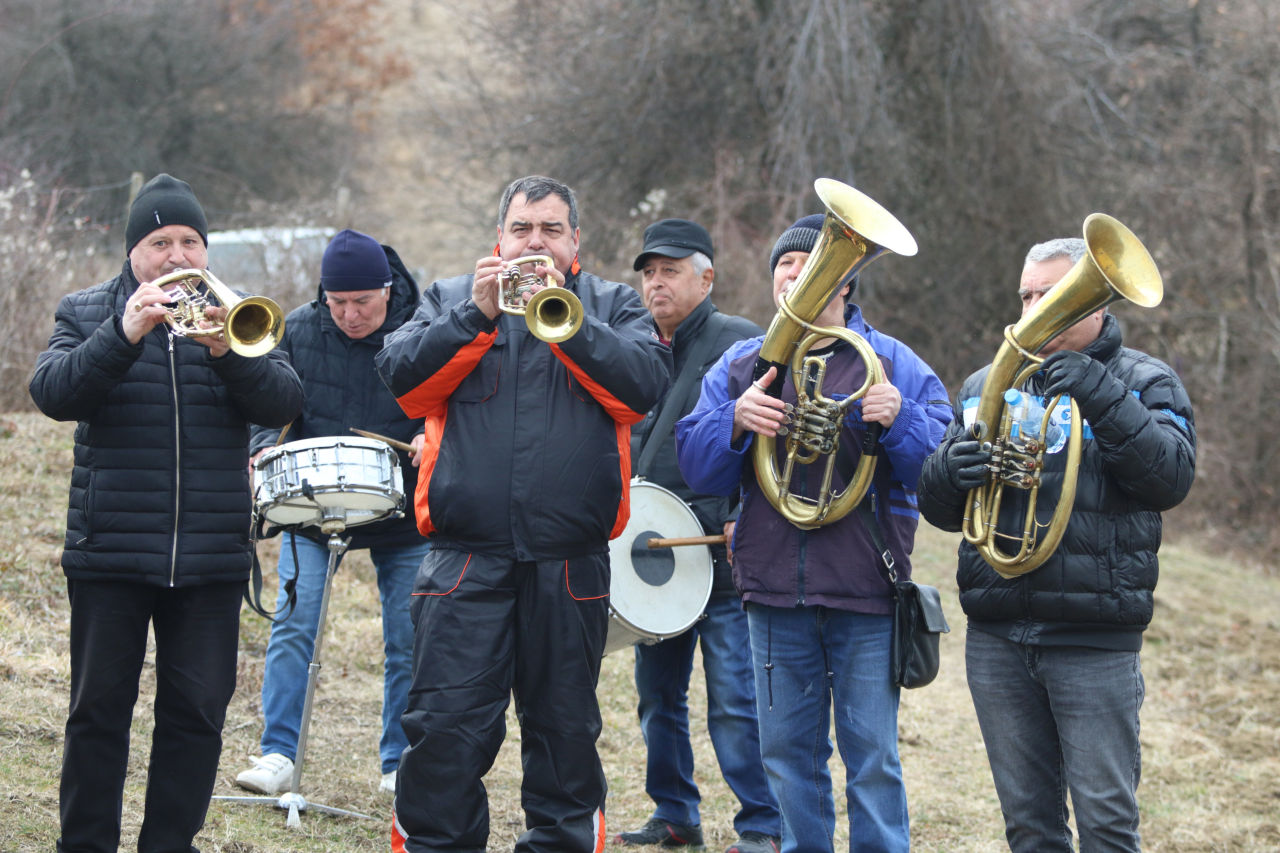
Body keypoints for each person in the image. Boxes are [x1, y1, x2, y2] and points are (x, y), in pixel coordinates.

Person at [375, 175, 672, 852]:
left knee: (564, 736)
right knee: (444, 731)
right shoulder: (454, 297)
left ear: (575, 242)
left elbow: (643, 388)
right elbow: (400, 380)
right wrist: (472, 317)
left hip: (571, 564)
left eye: (550, 229)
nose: (534, 240)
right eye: (521, 228)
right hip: (463, 560)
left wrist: (569, 316)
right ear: (499, 238)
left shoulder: (611, 303)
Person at [28, 173, 303, 853]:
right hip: (112, 553)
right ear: (134, 254)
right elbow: (53, 392)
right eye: (160, 242)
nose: (177, 254)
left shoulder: (237, 315)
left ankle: (168, 843)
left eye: (189, 241)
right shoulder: (87, 310)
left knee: (198, 716)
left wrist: (231, 355)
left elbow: (283, 401)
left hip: (209, 558)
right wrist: (123, 334)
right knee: (98, 713)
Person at [675, 214, 950, 853]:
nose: (794, 276)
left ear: (847, 281)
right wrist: (734, 422)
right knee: (788, 759)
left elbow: (943, 471)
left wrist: (901, 419)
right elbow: (697, 464)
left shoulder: (892, 363)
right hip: (773, 592)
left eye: (811, 266)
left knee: (873, 761)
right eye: (785, 268)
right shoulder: (745, 364)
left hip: (866, 593)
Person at [917, 237, 1196, 853]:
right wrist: (946, 473)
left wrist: (1099, 392)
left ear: (1095, 305)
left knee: (1106, 825)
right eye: (1027, 295)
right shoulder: (985, 381)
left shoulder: (1147, 381)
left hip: (1093, 639)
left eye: (1051, 294)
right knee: (1030, 827)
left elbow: (1169, 478)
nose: (1033, 308)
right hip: (997, 637)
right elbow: (940, 510)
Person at [232, 228, 431, 798]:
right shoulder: (294, 328)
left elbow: (445, 400)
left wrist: (429, 437)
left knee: (407, 634)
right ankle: (278, 753)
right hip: (311, 504)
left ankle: (399, 762)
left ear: (387, 291)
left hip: (400, 509)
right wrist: (263, 444)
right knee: (296, 623)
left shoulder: (420, 331)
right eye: (337, 302)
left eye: (362, 302)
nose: (349, 314)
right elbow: (267, 400)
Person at [614, 219, 782, 853]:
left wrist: (738, 510)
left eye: (671, 270)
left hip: (718, 553)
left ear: (706, 277)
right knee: (657, 697)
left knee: (737, 699)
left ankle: (764, 827)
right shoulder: (635, 346)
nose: (657, 283)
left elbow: (765, 440)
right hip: (649, 553)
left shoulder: (742, 341)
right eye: (649, 272)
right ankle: (675, 814)